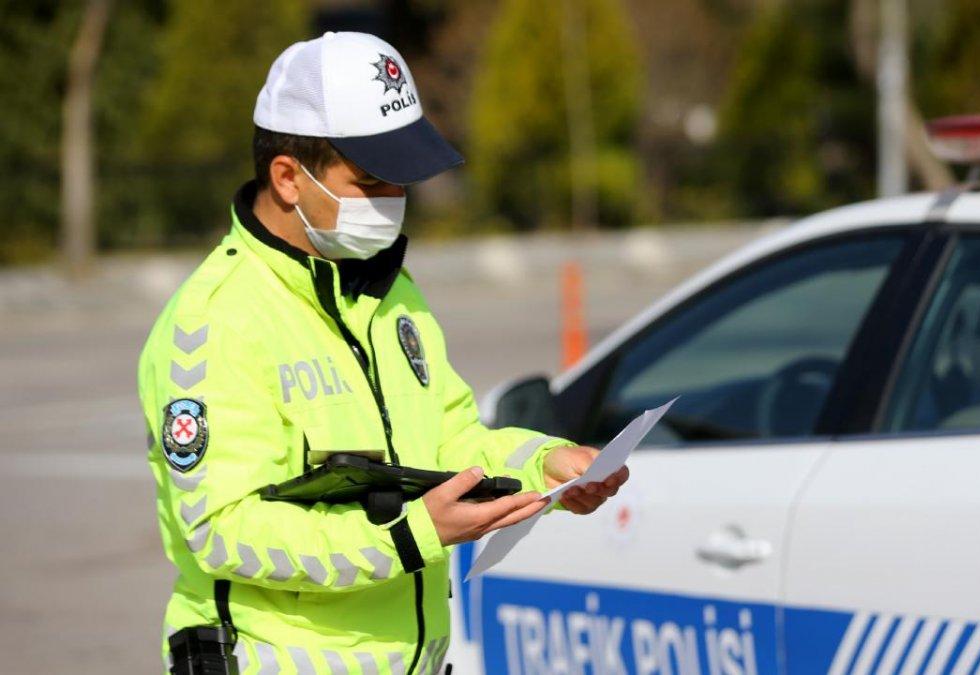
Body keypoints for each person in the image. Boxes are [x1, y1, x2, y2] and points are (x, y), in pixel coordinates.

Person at [137, 31, 627, 674]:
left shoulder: (389, 289)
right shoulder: (215, 322)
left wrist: (544, 462)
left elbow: (449, 439)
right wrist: (413, 533)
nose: (392, 199)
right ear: (288, 177)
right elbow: (224, 532)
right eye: (369, 180)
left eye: (401, 179)